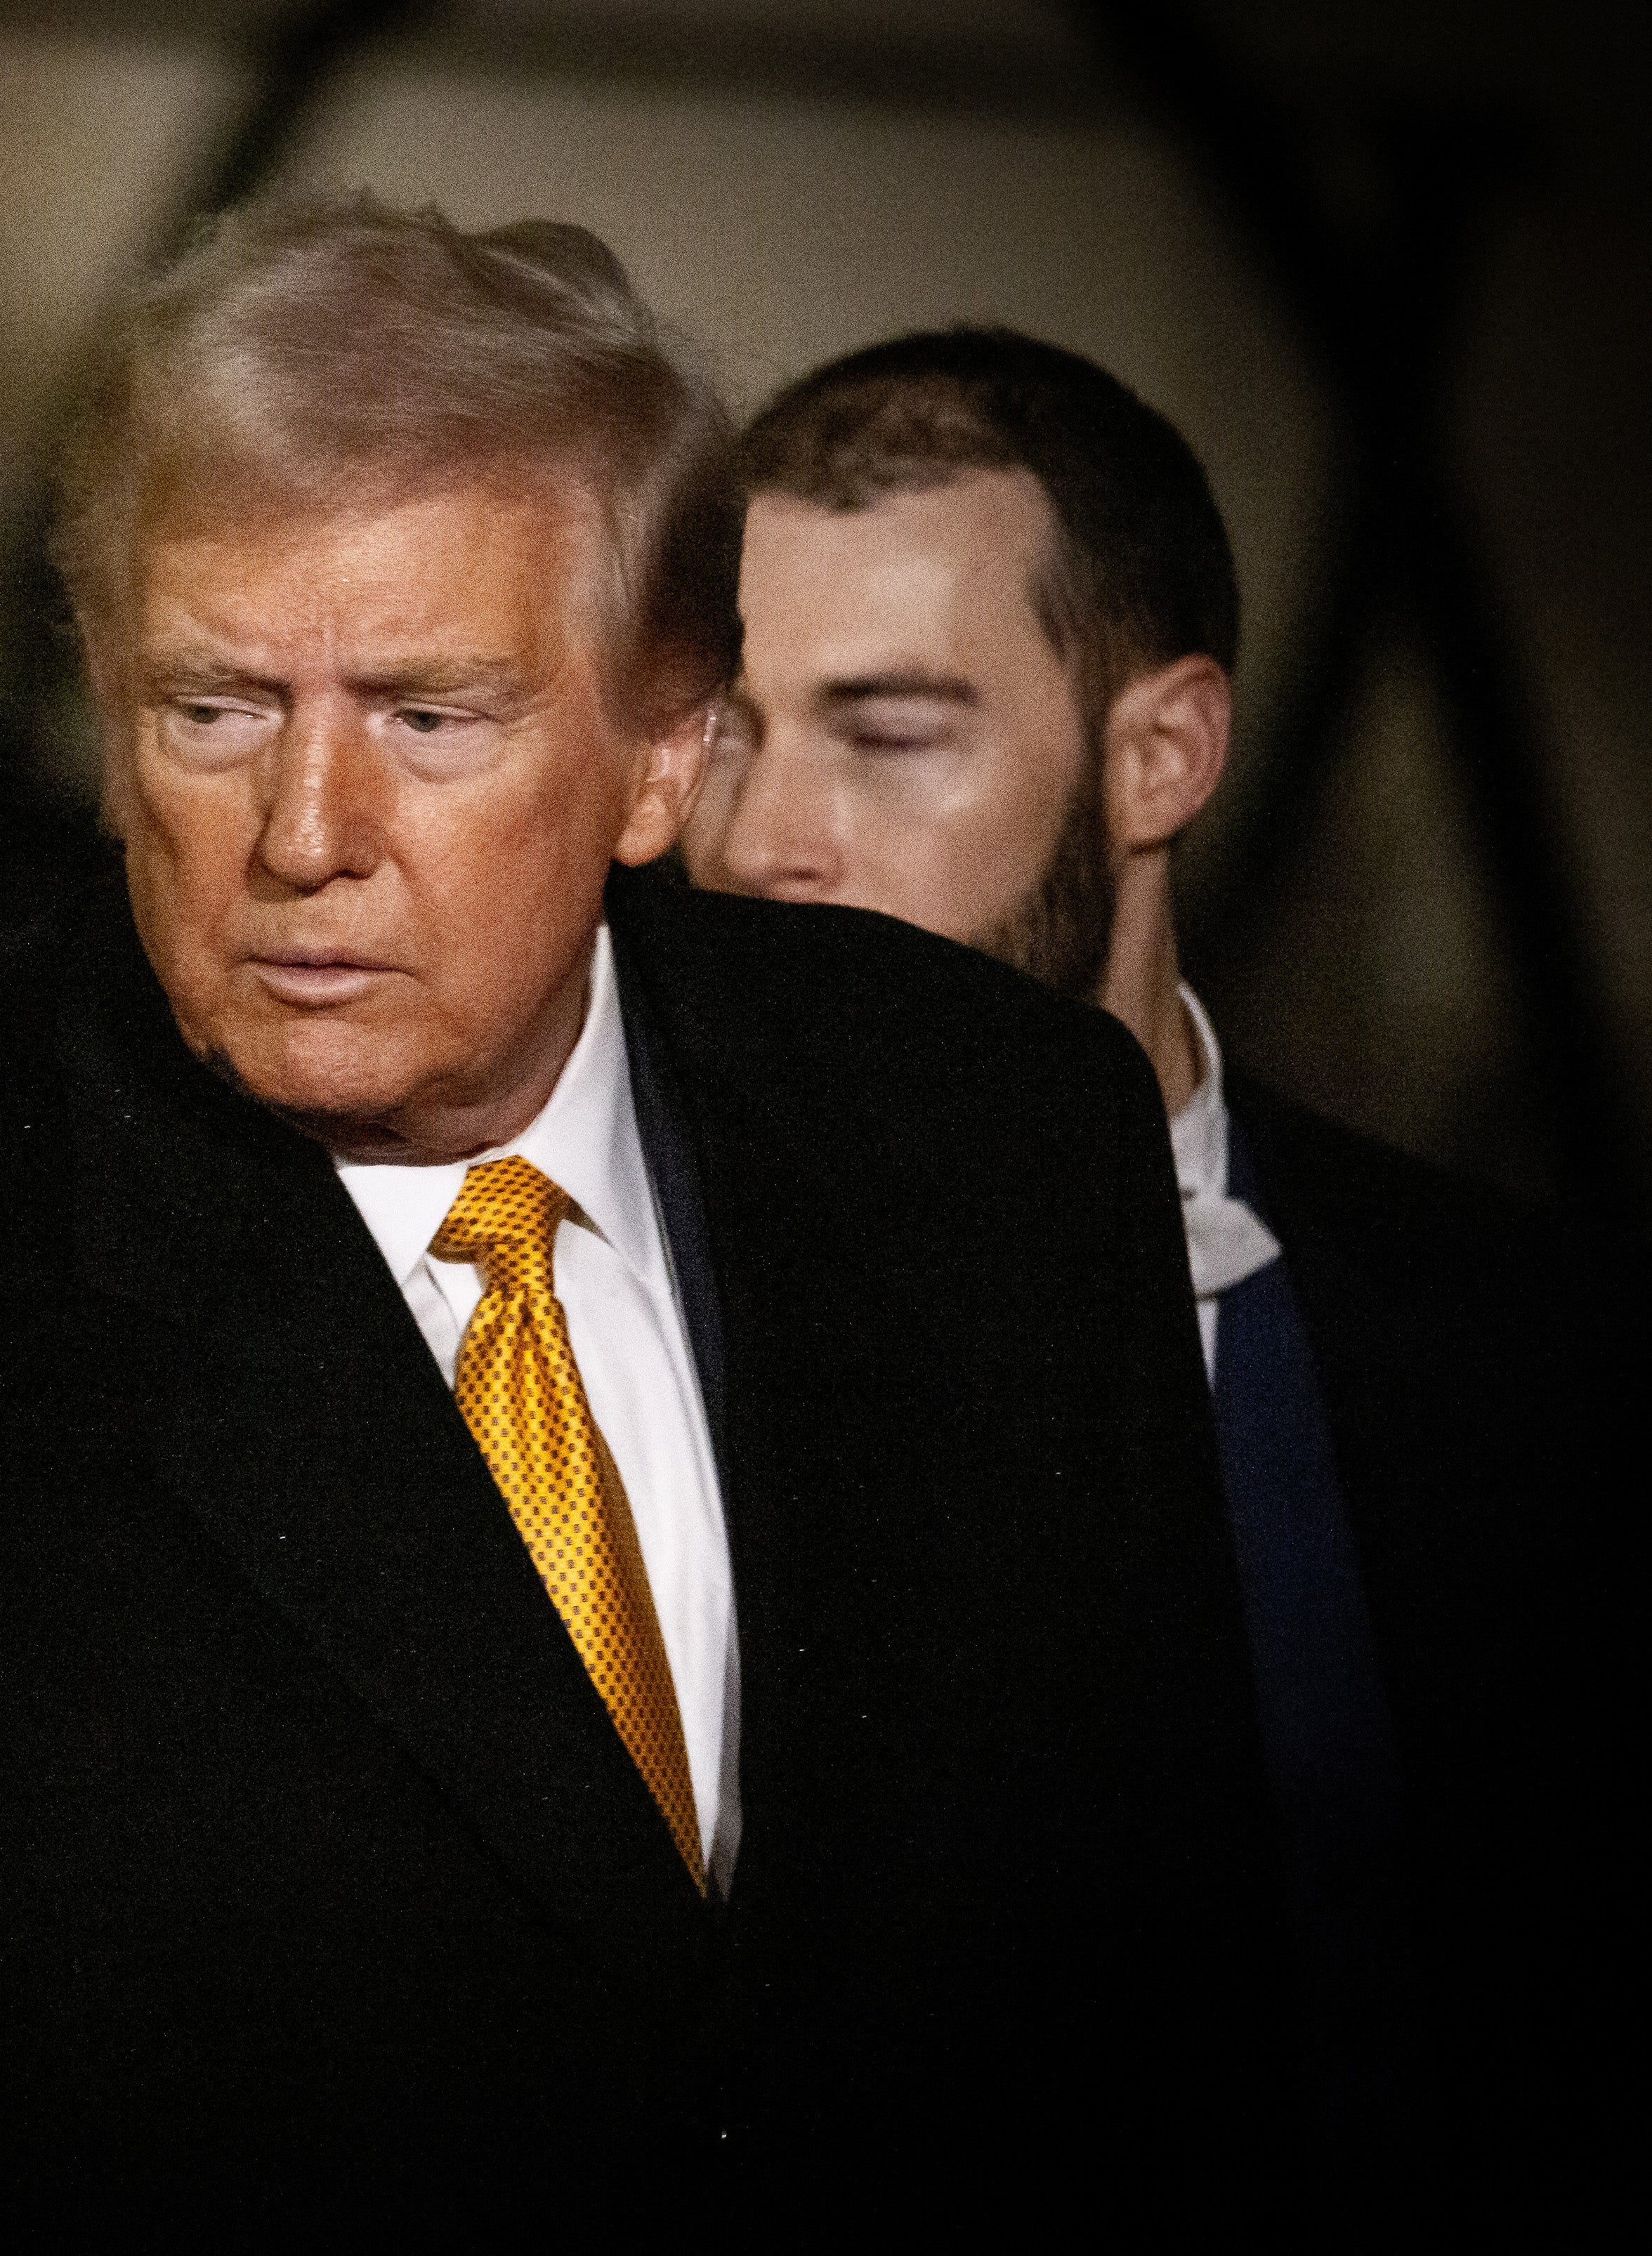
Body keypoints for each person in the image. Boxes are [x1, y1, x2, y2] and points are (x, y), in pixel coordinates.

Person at [0, 194, 1280, 2248]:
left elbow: (1169, 1996)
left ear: (666, 752)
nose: (308, 837)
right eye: (214, 708)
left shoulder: (994, 1136)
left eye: (427, 714)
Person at [689, 328, 1612, 2204]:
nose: (767, 839)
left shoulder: (1510, 1364)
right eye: (731, 734)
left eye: (886, 734)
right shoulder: (585, 1280)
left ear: (1162, 753)